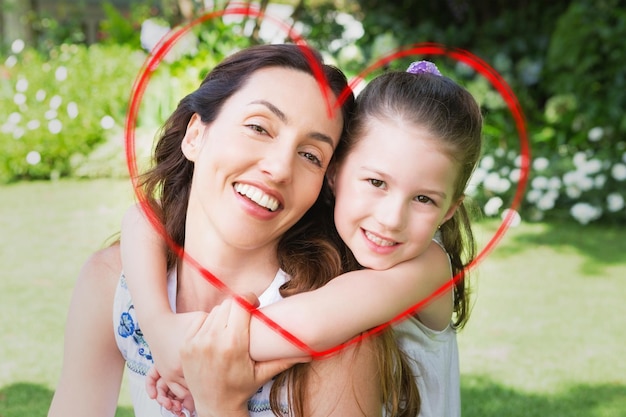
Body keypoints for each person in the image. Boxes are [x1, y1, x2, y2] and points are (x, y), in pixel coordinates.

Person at [47, 43, 412, 417]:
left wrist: (220, 405)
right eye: (258, 127)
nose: (280, 168)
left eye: (310, 155)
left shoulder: (339, 336)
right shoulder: (115, 284)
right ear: (195, 135)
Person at [123, 60, 483, 417]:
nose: (391, 219)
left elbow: (312, 324)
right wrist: (159, 327)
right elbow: (145, 217)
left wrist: (192, 349)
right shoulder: (334, 239)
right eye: (376, 183)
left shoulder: (429, 268)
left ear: (450, 209)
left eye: (424, 199)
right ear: (334, 174)